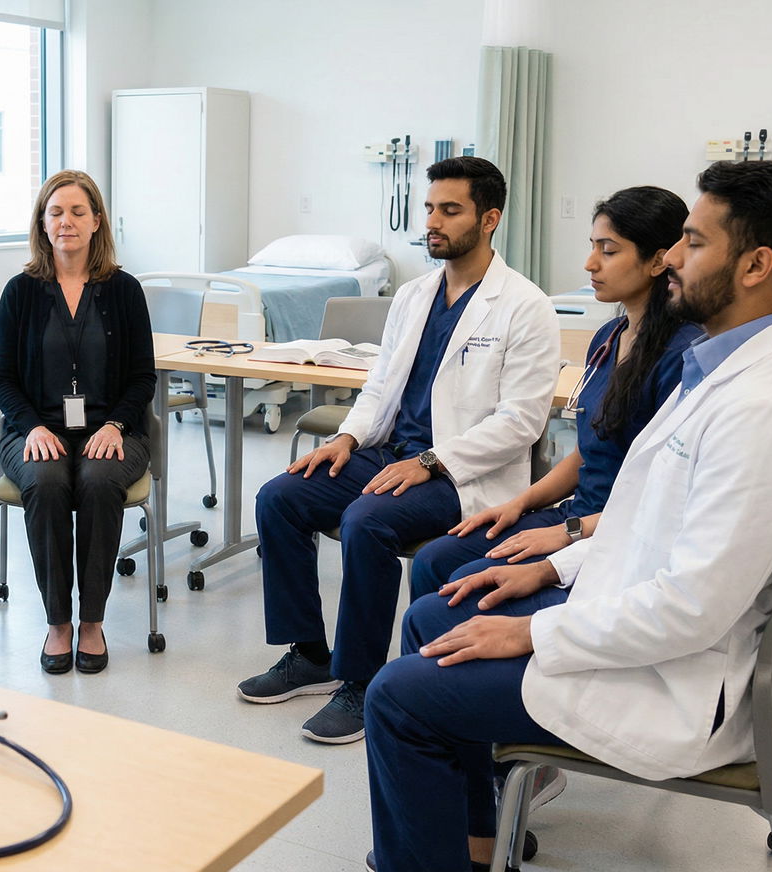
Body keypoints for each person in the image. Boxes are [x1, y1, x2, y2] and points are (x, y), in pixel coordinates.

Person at [362, 160, 772, 872]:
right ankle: (473, 837)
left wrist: (532, 629)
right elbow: (643, 517)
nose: (673, 258)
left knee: (398, 696)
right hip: (634, 613)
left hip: (674, 681)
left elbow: (691, 609)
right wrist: (550, 571)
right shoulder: (721, 369)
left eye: (693, 242)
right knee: (438, 612)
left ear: (756, 265)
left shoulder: (765, 410)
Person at [237, 156, 560, 744]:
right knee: (280, 497)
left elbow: (520, 422)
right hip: (391, 451)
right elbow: (379, 385)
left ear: (490, 219)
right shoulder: (413, 296)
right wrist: (346, 438)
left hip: (460, 474)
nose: (432, 221)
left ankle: (361, 682)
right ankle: (309, 653)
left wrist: (431, 461)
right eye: (430, 208)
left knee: (367, 521)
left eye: (450, 210)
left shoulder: (525, 305)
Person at [408, 187, 705, 601]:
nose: (590, 263)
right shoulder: (609, 336)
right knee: (434, 560)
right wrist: (520, 503)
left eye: (608, 250)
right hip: (575, 513)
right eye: (592, 246)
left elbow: (663, 496)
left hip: (616, 532)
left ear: (658, 261)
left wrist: (567, 533)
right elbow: (587, 453)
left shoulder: (682, 358)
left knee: (464, 586)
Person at [0, 169, 155, 674]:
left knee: (100, 480)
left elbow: (142, 377)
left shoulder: (125, 290)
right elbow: (2, 379)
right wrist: (32, 427)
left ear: (96, 221)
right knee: (46, 480)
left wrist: (116, 425)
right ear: (42, 223)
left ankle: (92, 622)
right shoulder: (19, 292)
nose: (67, 222)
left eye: (78, 212)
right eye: (56, 212)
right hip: (34, 430)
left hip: (114, 429)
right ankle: (58, 622)